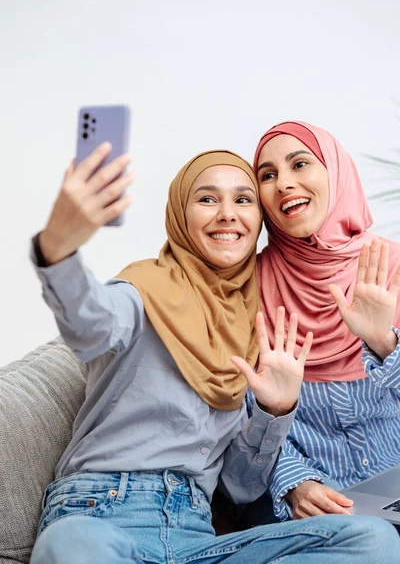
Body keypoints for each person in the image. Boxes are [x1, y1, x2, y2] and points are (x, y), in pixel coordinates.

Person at [29, 142, 399, 563]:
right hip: (102, 515)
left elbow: (241, 487)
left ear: (259, 219)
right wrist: (58, 251)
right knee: (70, 543)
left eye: (243, 200)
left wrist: (274, 410)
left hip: (195, 538)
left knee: (372, 540)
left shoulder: (253, 323)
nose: (227, 213)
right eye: (207, 199)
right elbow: (88, 325)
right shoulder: (142, 292)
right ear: (181, 216)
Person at [253, 121, 400, 522]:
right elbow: (239, 419)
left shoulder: (391, 267)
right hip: (315, 512)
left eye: (299, 164)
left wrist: (384, 344)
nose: (283, 183)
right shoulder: (247, 286)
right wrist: (295, 483)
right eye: (268, 175)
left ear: (335, 171)